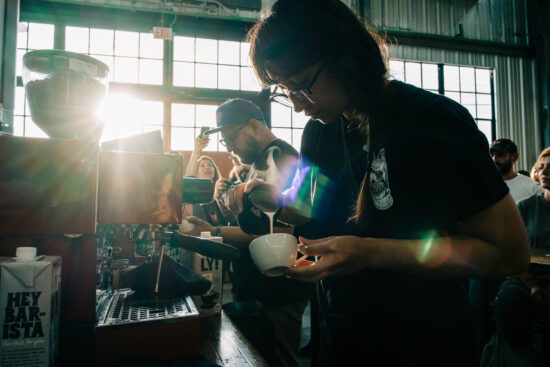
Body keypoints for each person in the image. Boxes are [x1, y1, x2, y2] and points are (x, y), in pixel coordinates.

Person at [245, 0, 530, 365]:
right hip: (339, 336)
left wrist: (370, 252)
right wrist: (272, 203)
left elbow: (508, 254)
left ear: (344, 56)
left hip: (423, 344)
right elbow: (303, 205)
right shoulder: (316, 132)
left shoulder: (433, 121)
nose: (299, 105)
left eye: (302, 86)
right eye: (285, 90)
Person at [187, 98, 312, 367]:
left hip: (278, 289)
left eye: (232, 137)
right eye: (225, 141)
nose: (229, 147)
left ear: (254, 126)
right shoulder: (258, 163)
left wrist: (216, 230)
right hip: (260, 287)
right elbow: (257, 226)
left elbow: (280, 235)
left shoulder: (281, 157)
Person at [492, 147, 550, 362]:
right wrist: (532, 284)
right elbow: (513, 249)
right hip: (524, 276)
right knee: (509, 298)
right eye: (541, 167)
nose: (544, 172)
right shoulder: (525, 207)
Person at [490, 138, 542, 202]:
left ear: (515, 157)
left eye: (500, 154)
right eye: (491, 155)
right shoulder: (485, 187)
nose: (494, 159)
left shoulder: (533, 187)